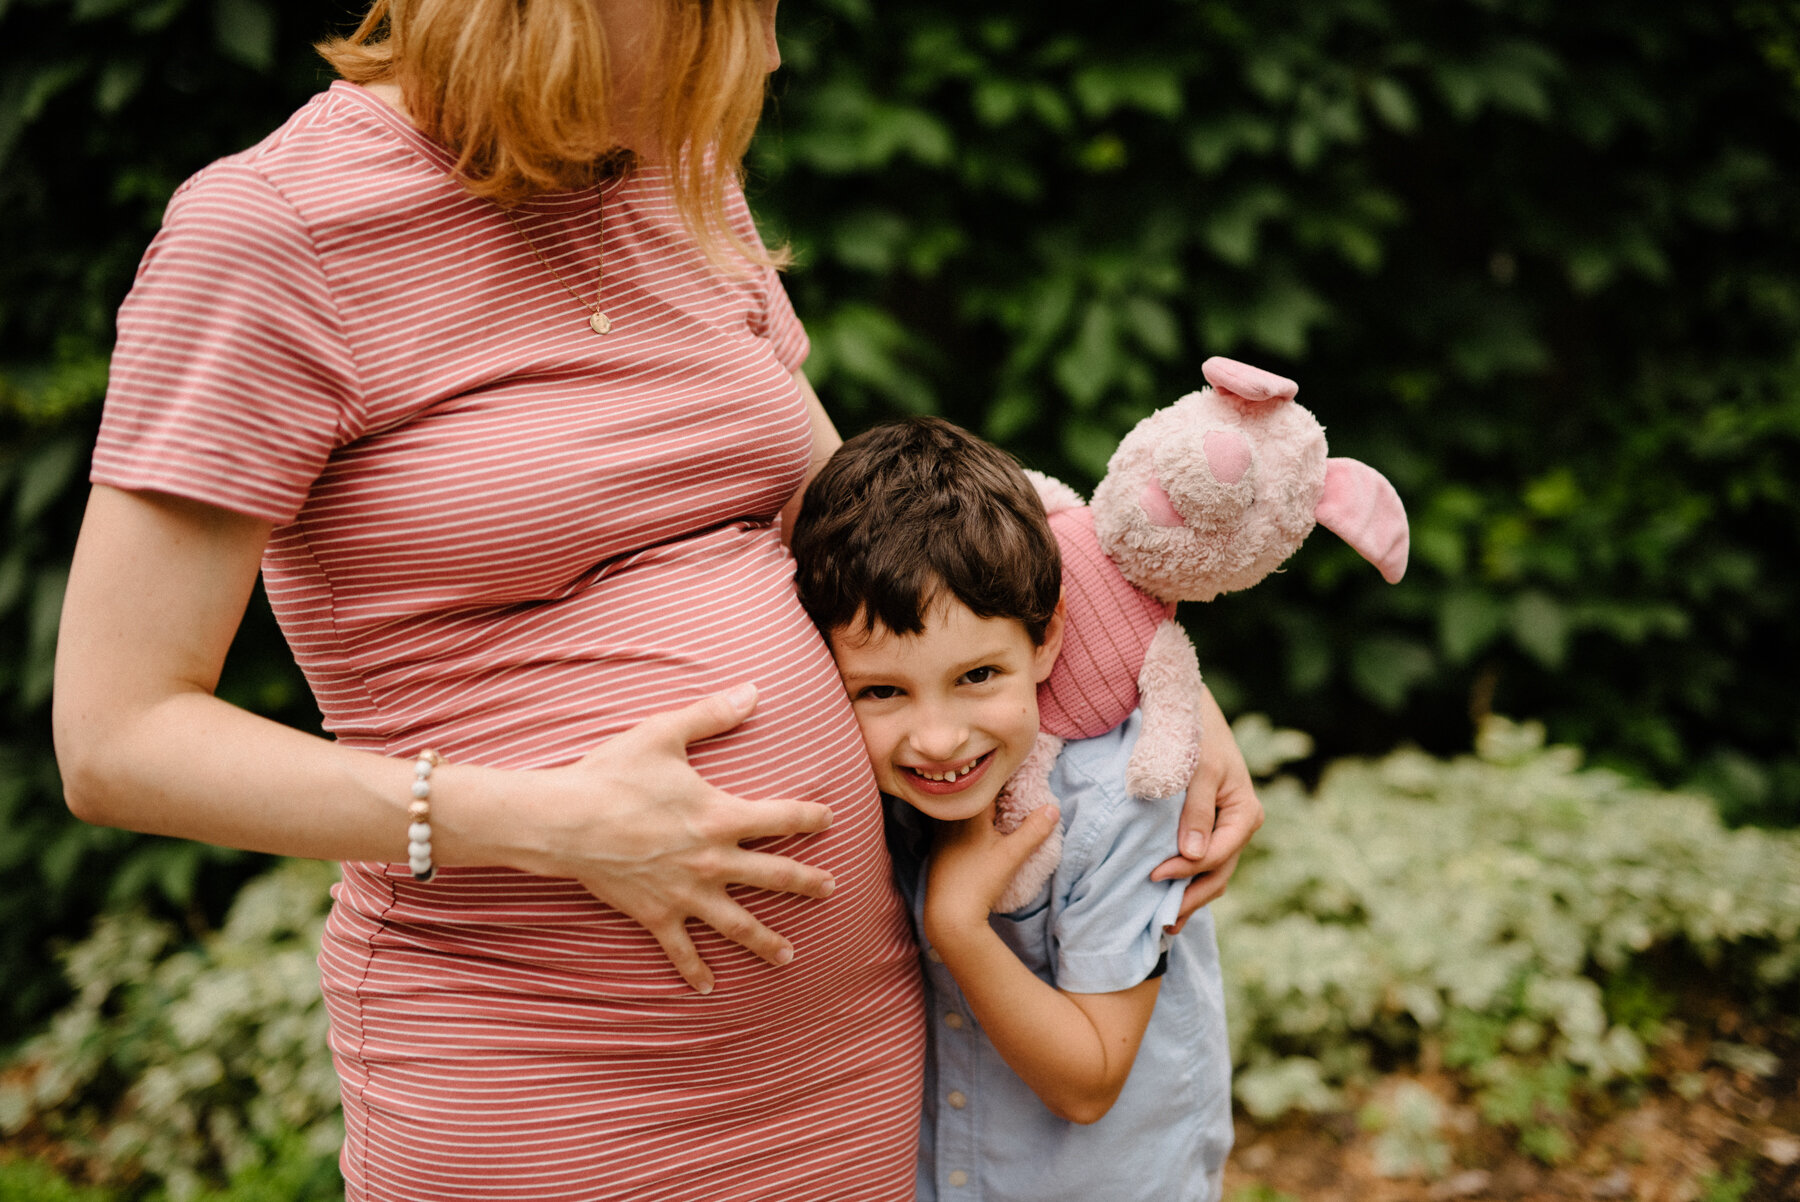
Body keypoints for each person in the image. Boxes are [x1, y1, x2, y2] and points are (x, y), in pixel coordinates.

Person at [50, 1, 1261, 1198]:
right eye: (735, 9)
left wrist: (1144, 676)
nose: (772, 53)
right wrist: (548, 819)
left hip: (853, 1081)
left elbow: (861, 533)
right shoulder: (271, 235)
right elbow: (118, 738)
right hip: (553, 1096)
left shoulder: (675, 178)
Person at [789, 417, 1234, 1202]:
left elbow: (1090, 1081)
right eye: (883, 691)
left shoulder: (1115, 804)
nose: (936, 738)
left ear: (1047, 641)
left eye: (977, 677)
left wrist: (959, 925)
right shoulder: (868, 796)